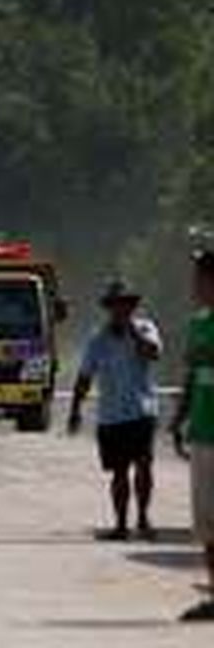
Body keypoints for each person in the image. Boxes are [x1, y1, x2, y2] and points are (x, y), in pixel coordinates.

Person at [68, 280, 163, 541]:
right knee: (119, 471)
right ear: (109, 308)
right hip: (111, 415)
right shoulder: (97, 339)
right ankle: (121, 525)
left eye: (125, 305)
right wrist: (75, 409)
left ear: (132, 307)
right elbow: (85, 376)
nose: (120, 311)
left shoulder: (146, 328)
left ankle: (143, 519)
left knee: (144, 465)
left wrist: (132, 331)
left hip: (142, 410)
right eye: (115, 306)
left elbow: (153, 354)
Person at [170, 250, 214, 622]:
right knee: (206, 520)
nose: (194, 287)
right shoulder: (198, 324)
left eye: (199, 279)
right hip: (203, 431)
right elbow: (191, 374)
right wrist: (179, 417)